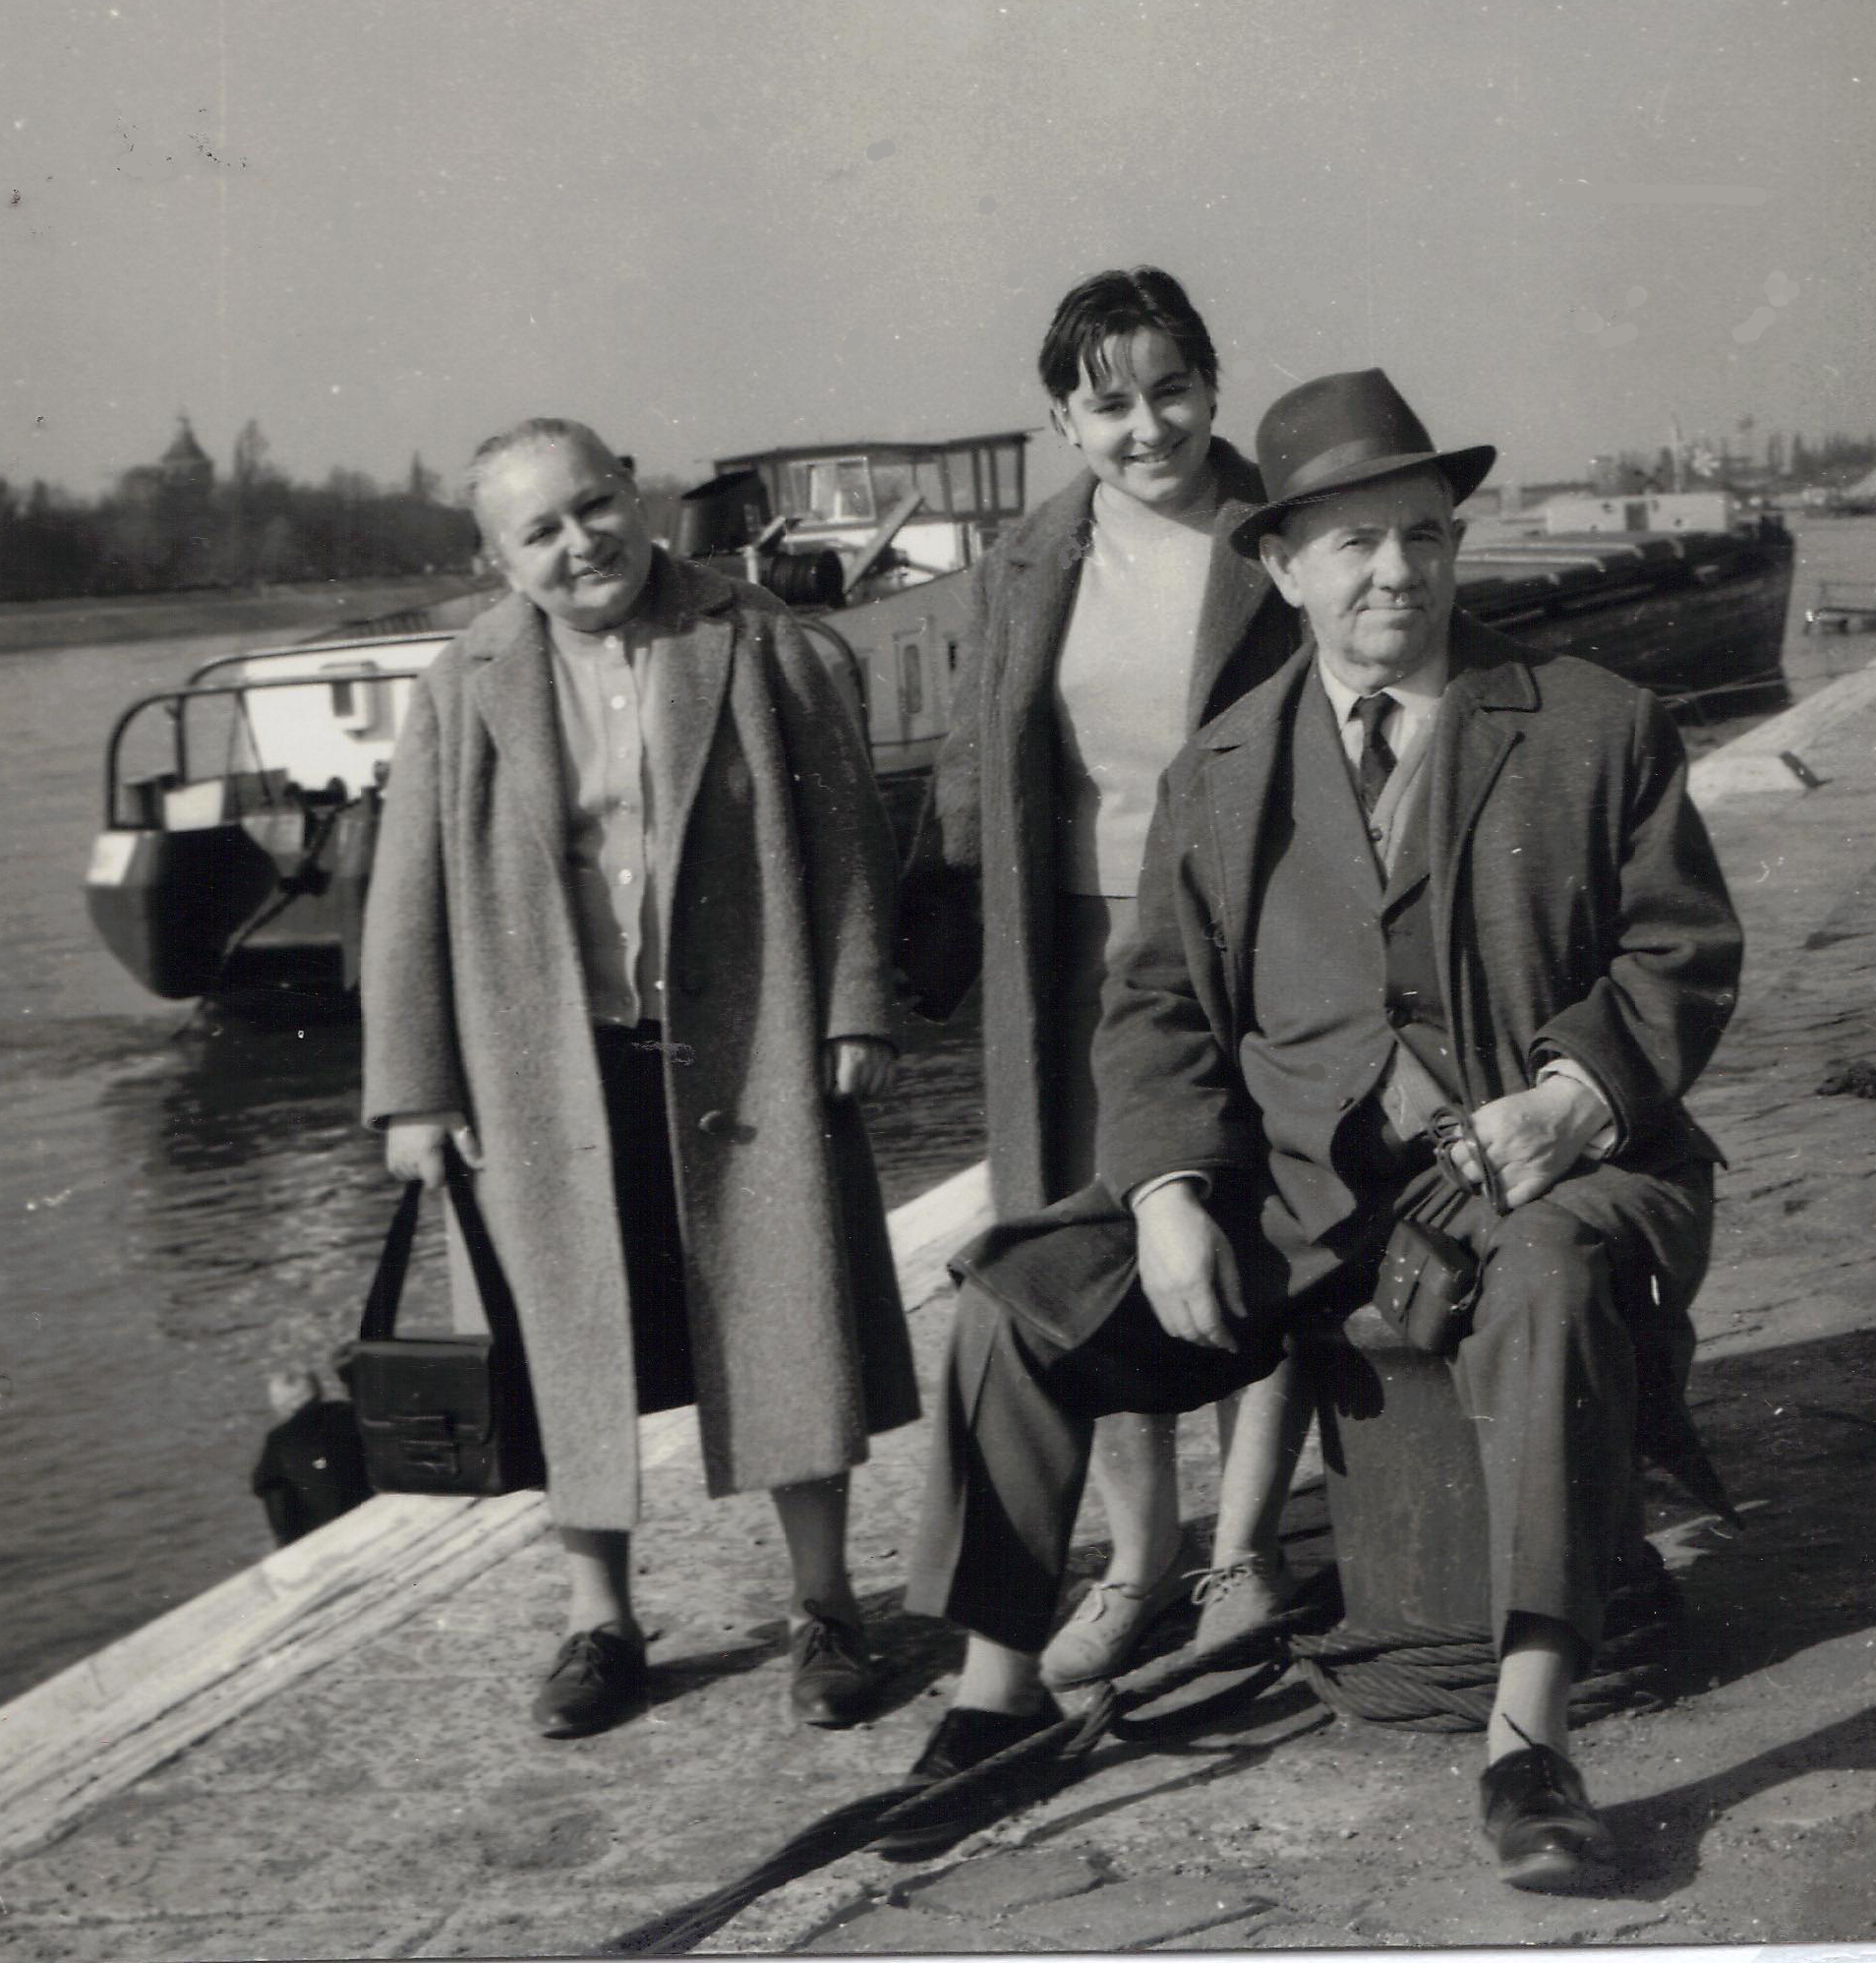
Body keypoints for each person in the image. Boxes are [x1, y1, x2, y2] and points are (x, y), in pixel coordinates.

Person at [898, 369, 1741, 1891]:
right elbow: (1155, 1011)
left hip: (1549, 1173)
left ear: (1456, 543)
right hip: (1300, 1203)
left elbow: (1679, 955)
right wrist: (1165, 1190)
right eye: (1353, 544)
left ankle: (1529, 1741)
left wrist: (1572, 1098)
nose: (1395, 572)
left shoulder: (1594, 726)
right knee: (1016, 1302)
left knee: (1551, 1275)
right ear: (1281, 568)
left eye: (1422, 534)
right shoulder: (1219, 774)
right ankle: (991, 1698)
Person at [361, 418, 919, 1739]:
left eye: (595, 505)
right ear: (498, 559)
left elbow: (848, 840)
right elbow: (406, 898)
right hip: (544, 1070)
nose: (580, 543)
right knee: (566, 1346)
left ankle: (826, 1606)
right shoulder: (463, 683)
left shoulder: (759, 638)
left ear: (635, 493)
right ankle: (599, 1620)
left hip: (749, 1046)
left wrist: (854, 1005)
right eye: (539, 531)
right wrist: (416, 1092)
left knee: (786, 1322)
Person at [899, 268, 1306, 1690]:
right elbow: (977, 758)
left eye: (1172, 389)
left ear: (1214, 383)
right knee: (1090, 1262)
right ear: (1062, 422)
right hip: (1072, 953)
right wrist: (929, 936)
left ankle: (1245, 1550)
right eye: (1110, 404)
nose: (1149, 427)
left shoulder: (1280, 530)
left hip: (1257, 939)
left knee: (1260, 1230)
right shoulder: (1031, 558)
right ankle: (1138, 1561)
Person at [251, 1366, 372, 1547]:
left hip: (325, 1536)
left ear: (280, 1405)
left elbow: (272, 1495)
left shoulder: (278, 1441)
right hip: (371, 1512)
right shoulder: (349, 1413)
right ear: (318, 1391)